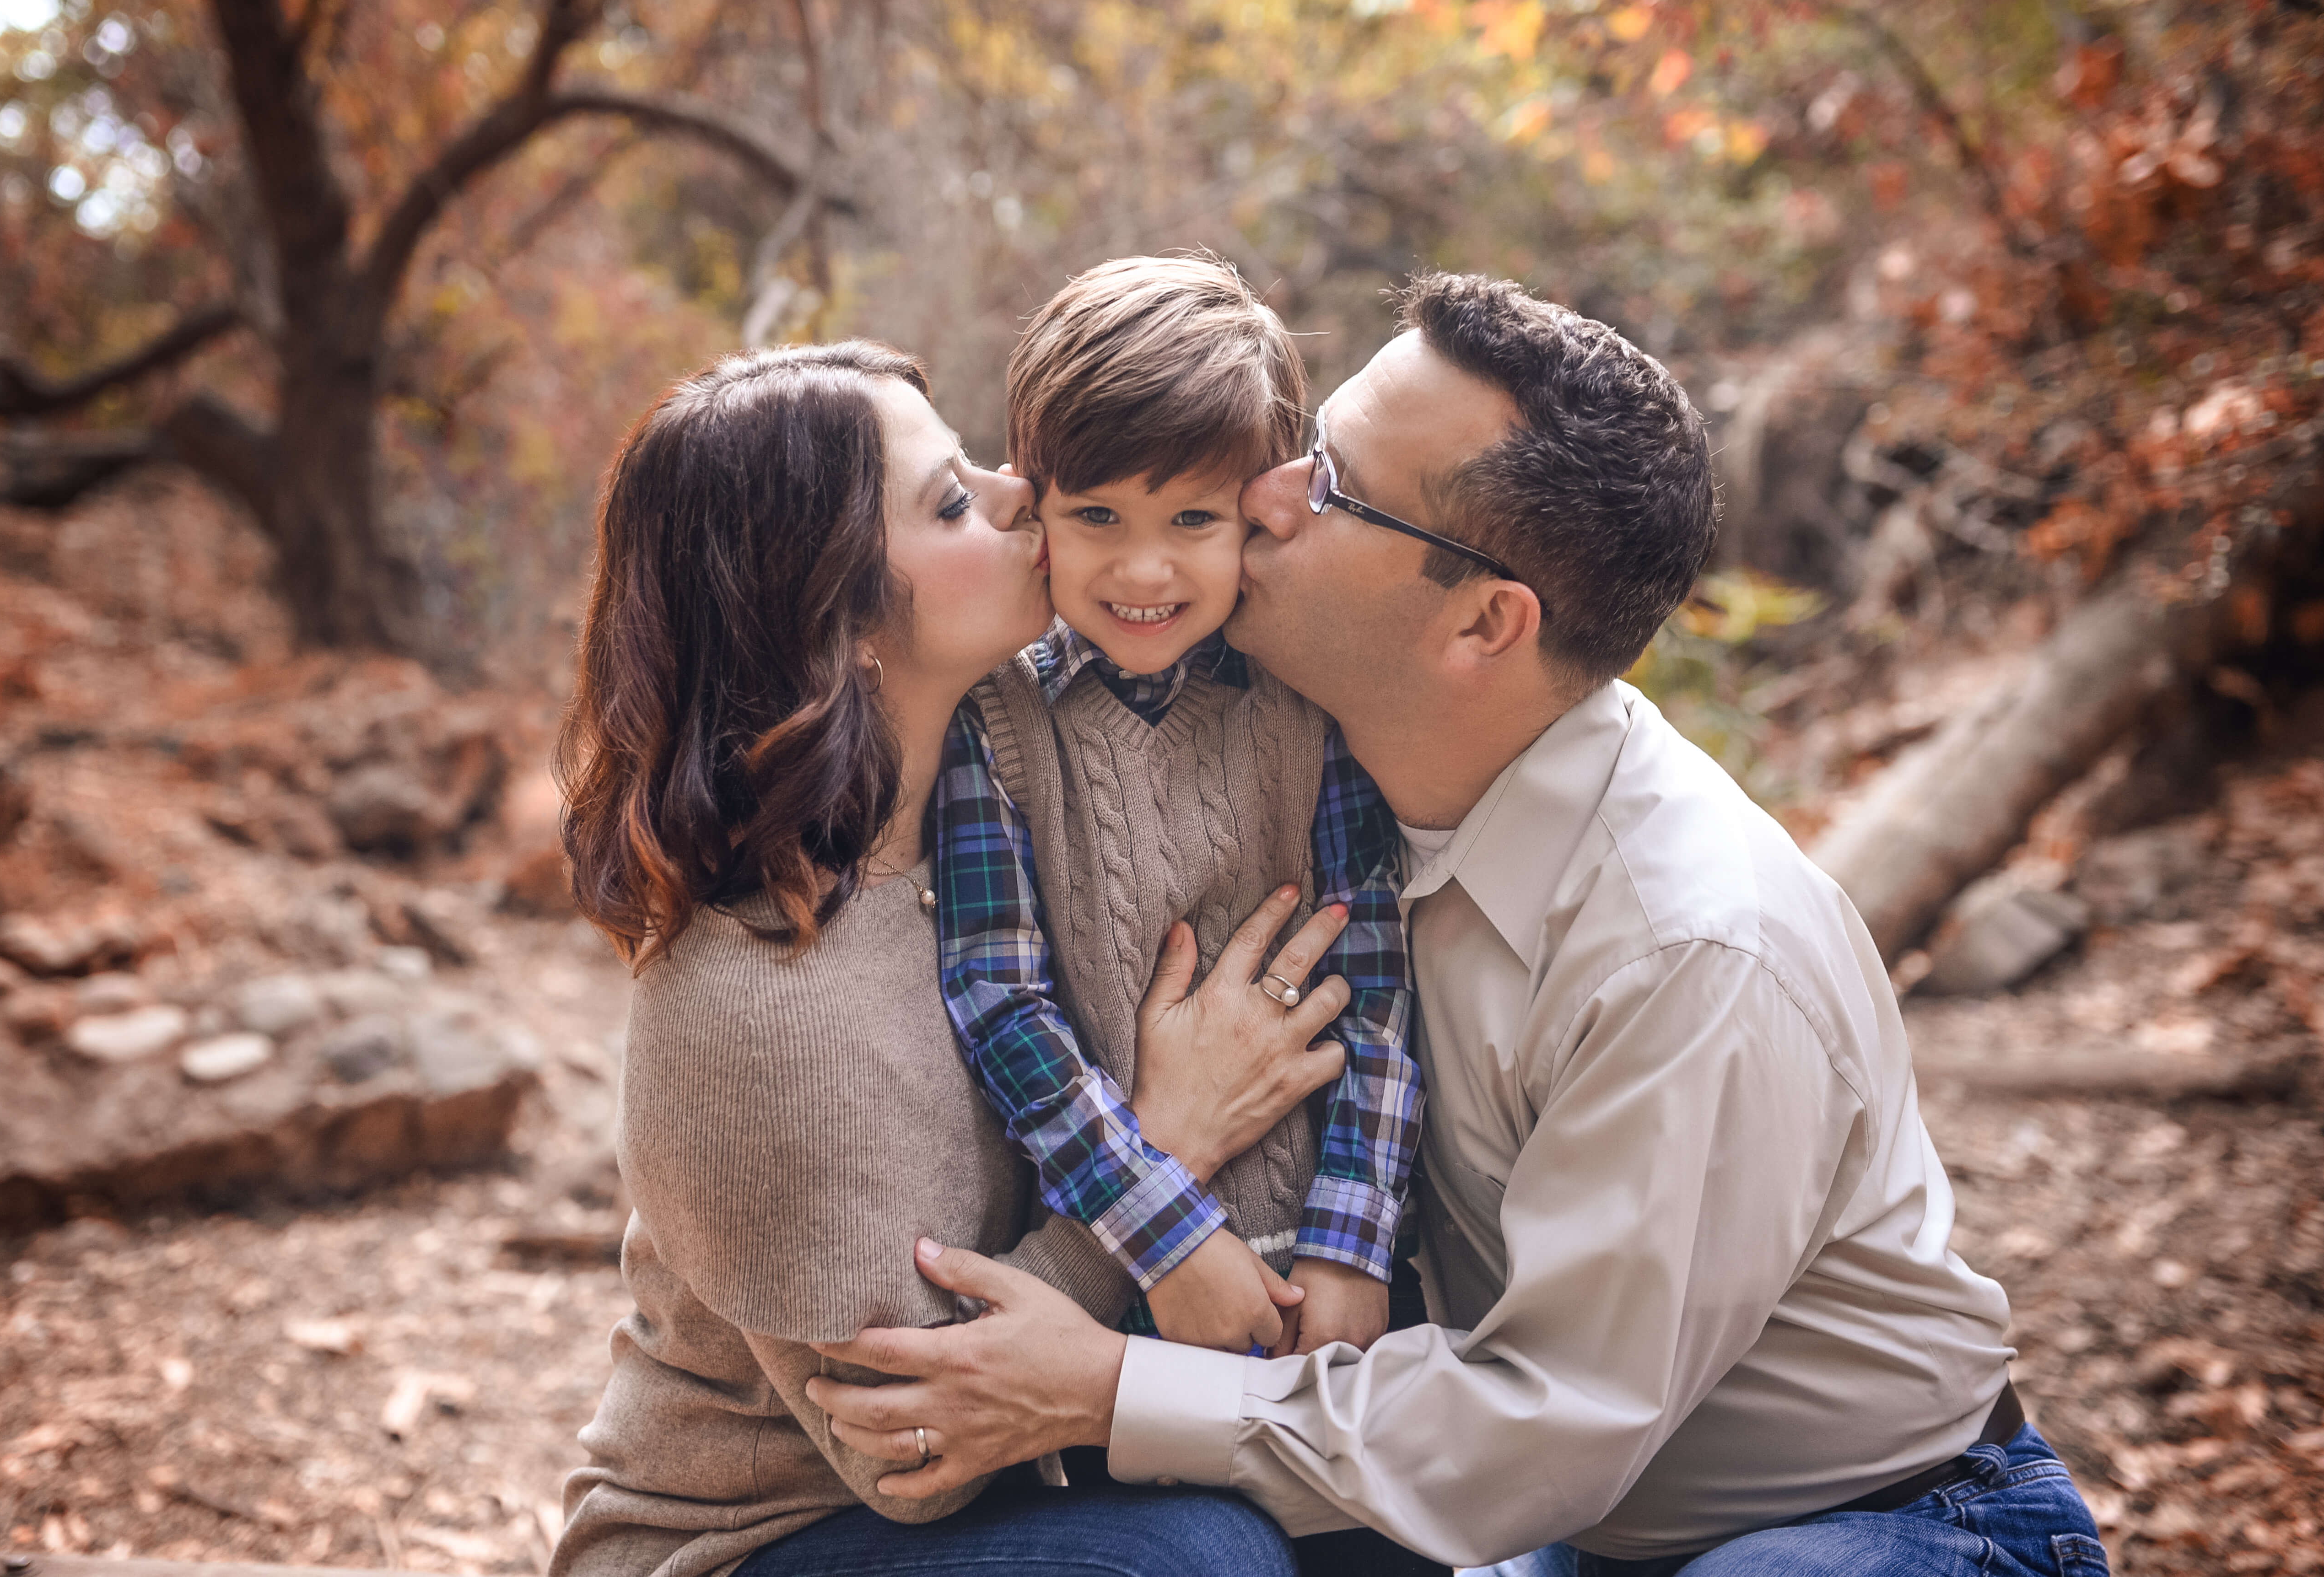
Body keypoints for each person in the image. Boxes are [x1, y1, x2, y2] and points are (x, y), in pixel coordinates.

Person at [797, 277, 2115, 1577]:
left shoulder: (1687, 950)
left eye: (1331, 482)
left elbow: (1544, 1423)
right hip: (1558, 1514)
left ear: (1487, 620)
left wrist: (1105, 1388)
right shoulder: (1345, 778)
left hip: (1887, 1520)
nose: (1263, 491)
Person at [547, 343, 1353, 1577]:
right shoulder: (755, 999)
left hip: (1010, 1481)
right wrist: (1166, 1155)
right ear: (838, 615)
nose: (1020, 489)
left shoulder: (984, 824)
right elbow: (910, 1447)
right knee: (1199, 1558)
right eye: (948, 498)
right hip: (755, 1536)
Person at [935, 253, 1420, 1362]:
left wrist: (1353, 1245)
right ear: (1032, 502)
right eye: (1096, 515)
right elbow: (1000, 1003)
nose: (1142, 569)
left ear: (1257, 506)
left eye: (1192, 519)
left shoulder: (1309, 707)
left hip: (1333, 1275)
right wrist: (1167, 1237)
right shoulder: (995, 722)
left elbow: (1381, 987)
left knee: (1369, 1536)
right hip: (1131, 1286)